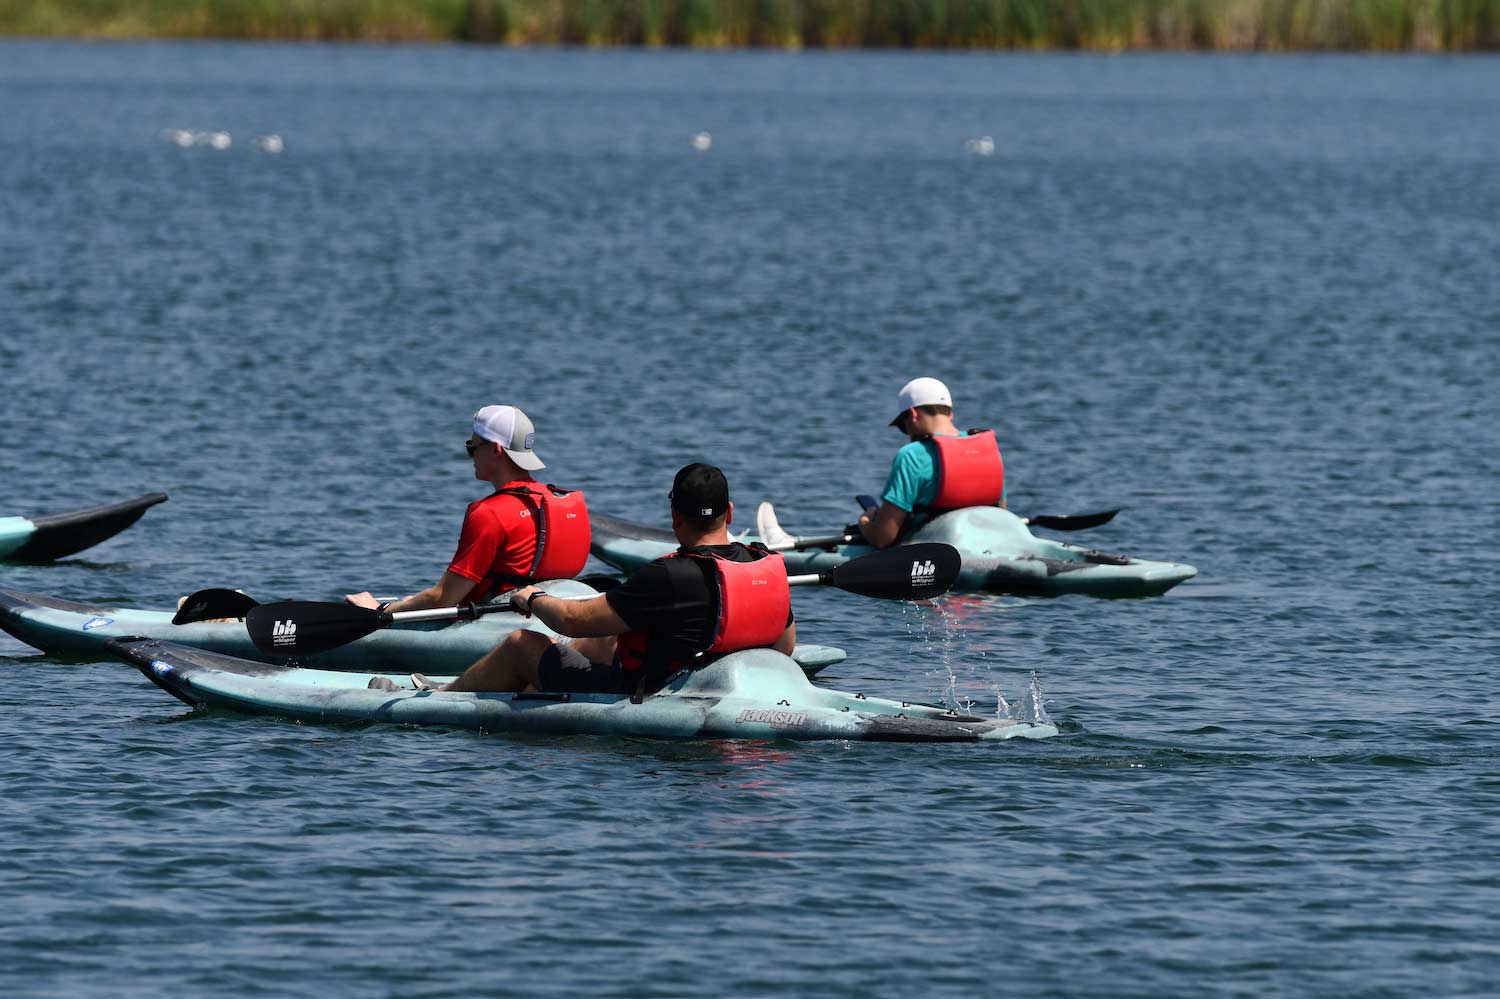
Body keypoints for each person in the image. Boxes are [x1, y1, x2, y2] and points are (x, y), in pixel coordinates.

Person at [406, 463, 795, 697]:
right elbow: (785, 646)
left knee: (520, 644)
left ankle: (443, 697)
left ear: (675, 516)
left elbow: (570, 620)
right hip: (717, 679)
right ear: (729, 512)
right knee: (607, 635)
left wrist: (533, 597)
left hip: (650, 692)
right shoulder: (763, 561)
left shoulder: (669, 575)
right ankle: (526, 689)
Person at [345, 404, 590, 614]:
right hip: (544, 615)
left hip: (497, 623)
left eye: (472, 447)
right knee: (413, 601)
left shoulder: (490, 513)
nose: (470, 455)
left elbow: (443, 598)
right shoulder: (554, 500)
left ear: (495, 450)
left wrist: (381, 609)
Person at [856, 377, 1006, 549]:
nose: (907, 433)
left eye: (903, 426)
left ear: (913, 415)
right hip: (986, 547)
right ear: (950, 414)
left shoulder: (911, 455)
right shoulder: (985, 448)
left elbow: (883, 538)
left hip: (936, 556)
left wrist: (866, 523)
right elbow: (1001, 513)